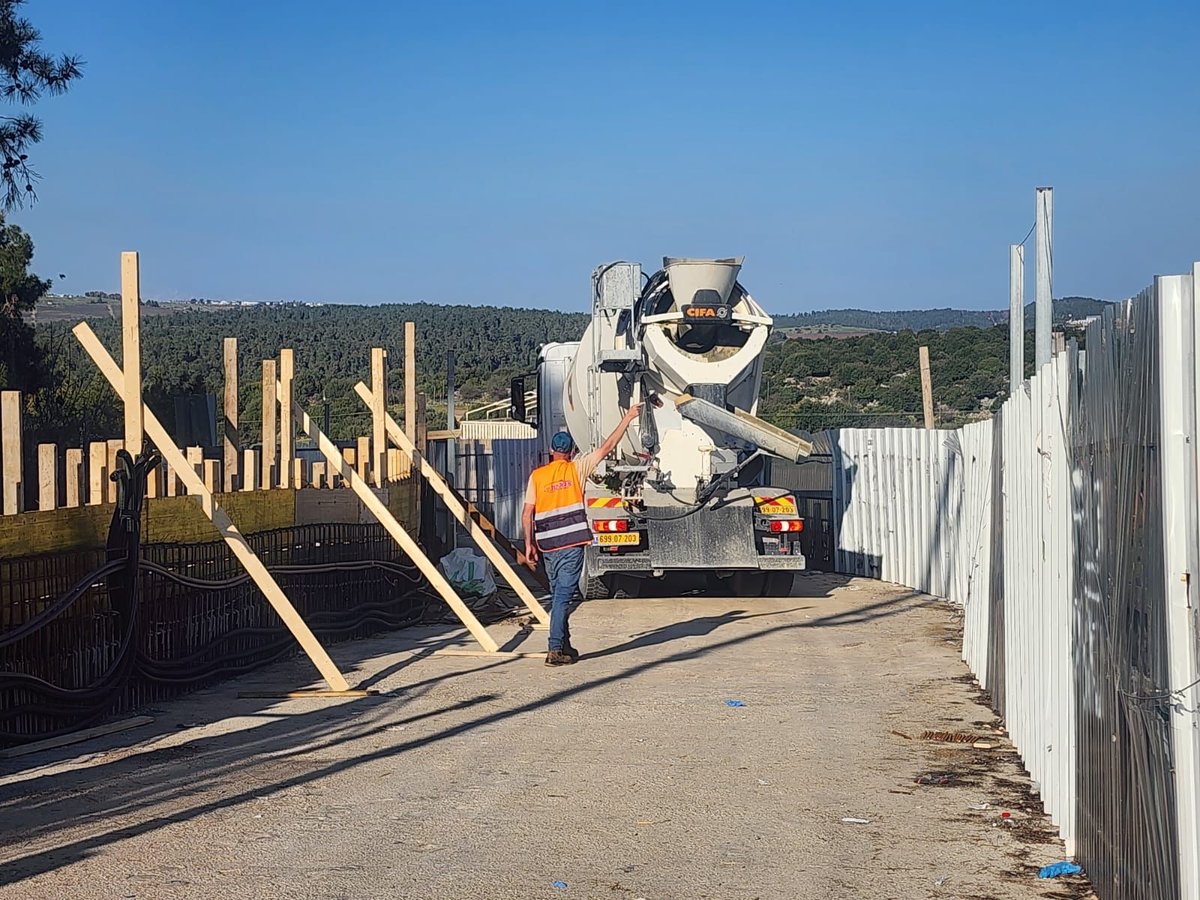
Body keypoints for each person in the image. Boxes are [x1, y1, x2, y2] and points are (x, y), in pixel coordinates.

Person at [523, 403, 643, 666]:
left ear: (552, 451)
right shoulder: (577, 469)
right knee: (563, 596)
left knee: (558, 594)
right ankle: (554, 649)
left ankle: (564, 644)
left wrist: (528, 544)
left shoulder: (537, 476)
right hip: (572, 543)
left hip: (548, 546)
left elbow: (526, 514)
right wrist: (629, 416)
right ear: (571, 452)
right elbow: (608, 446)